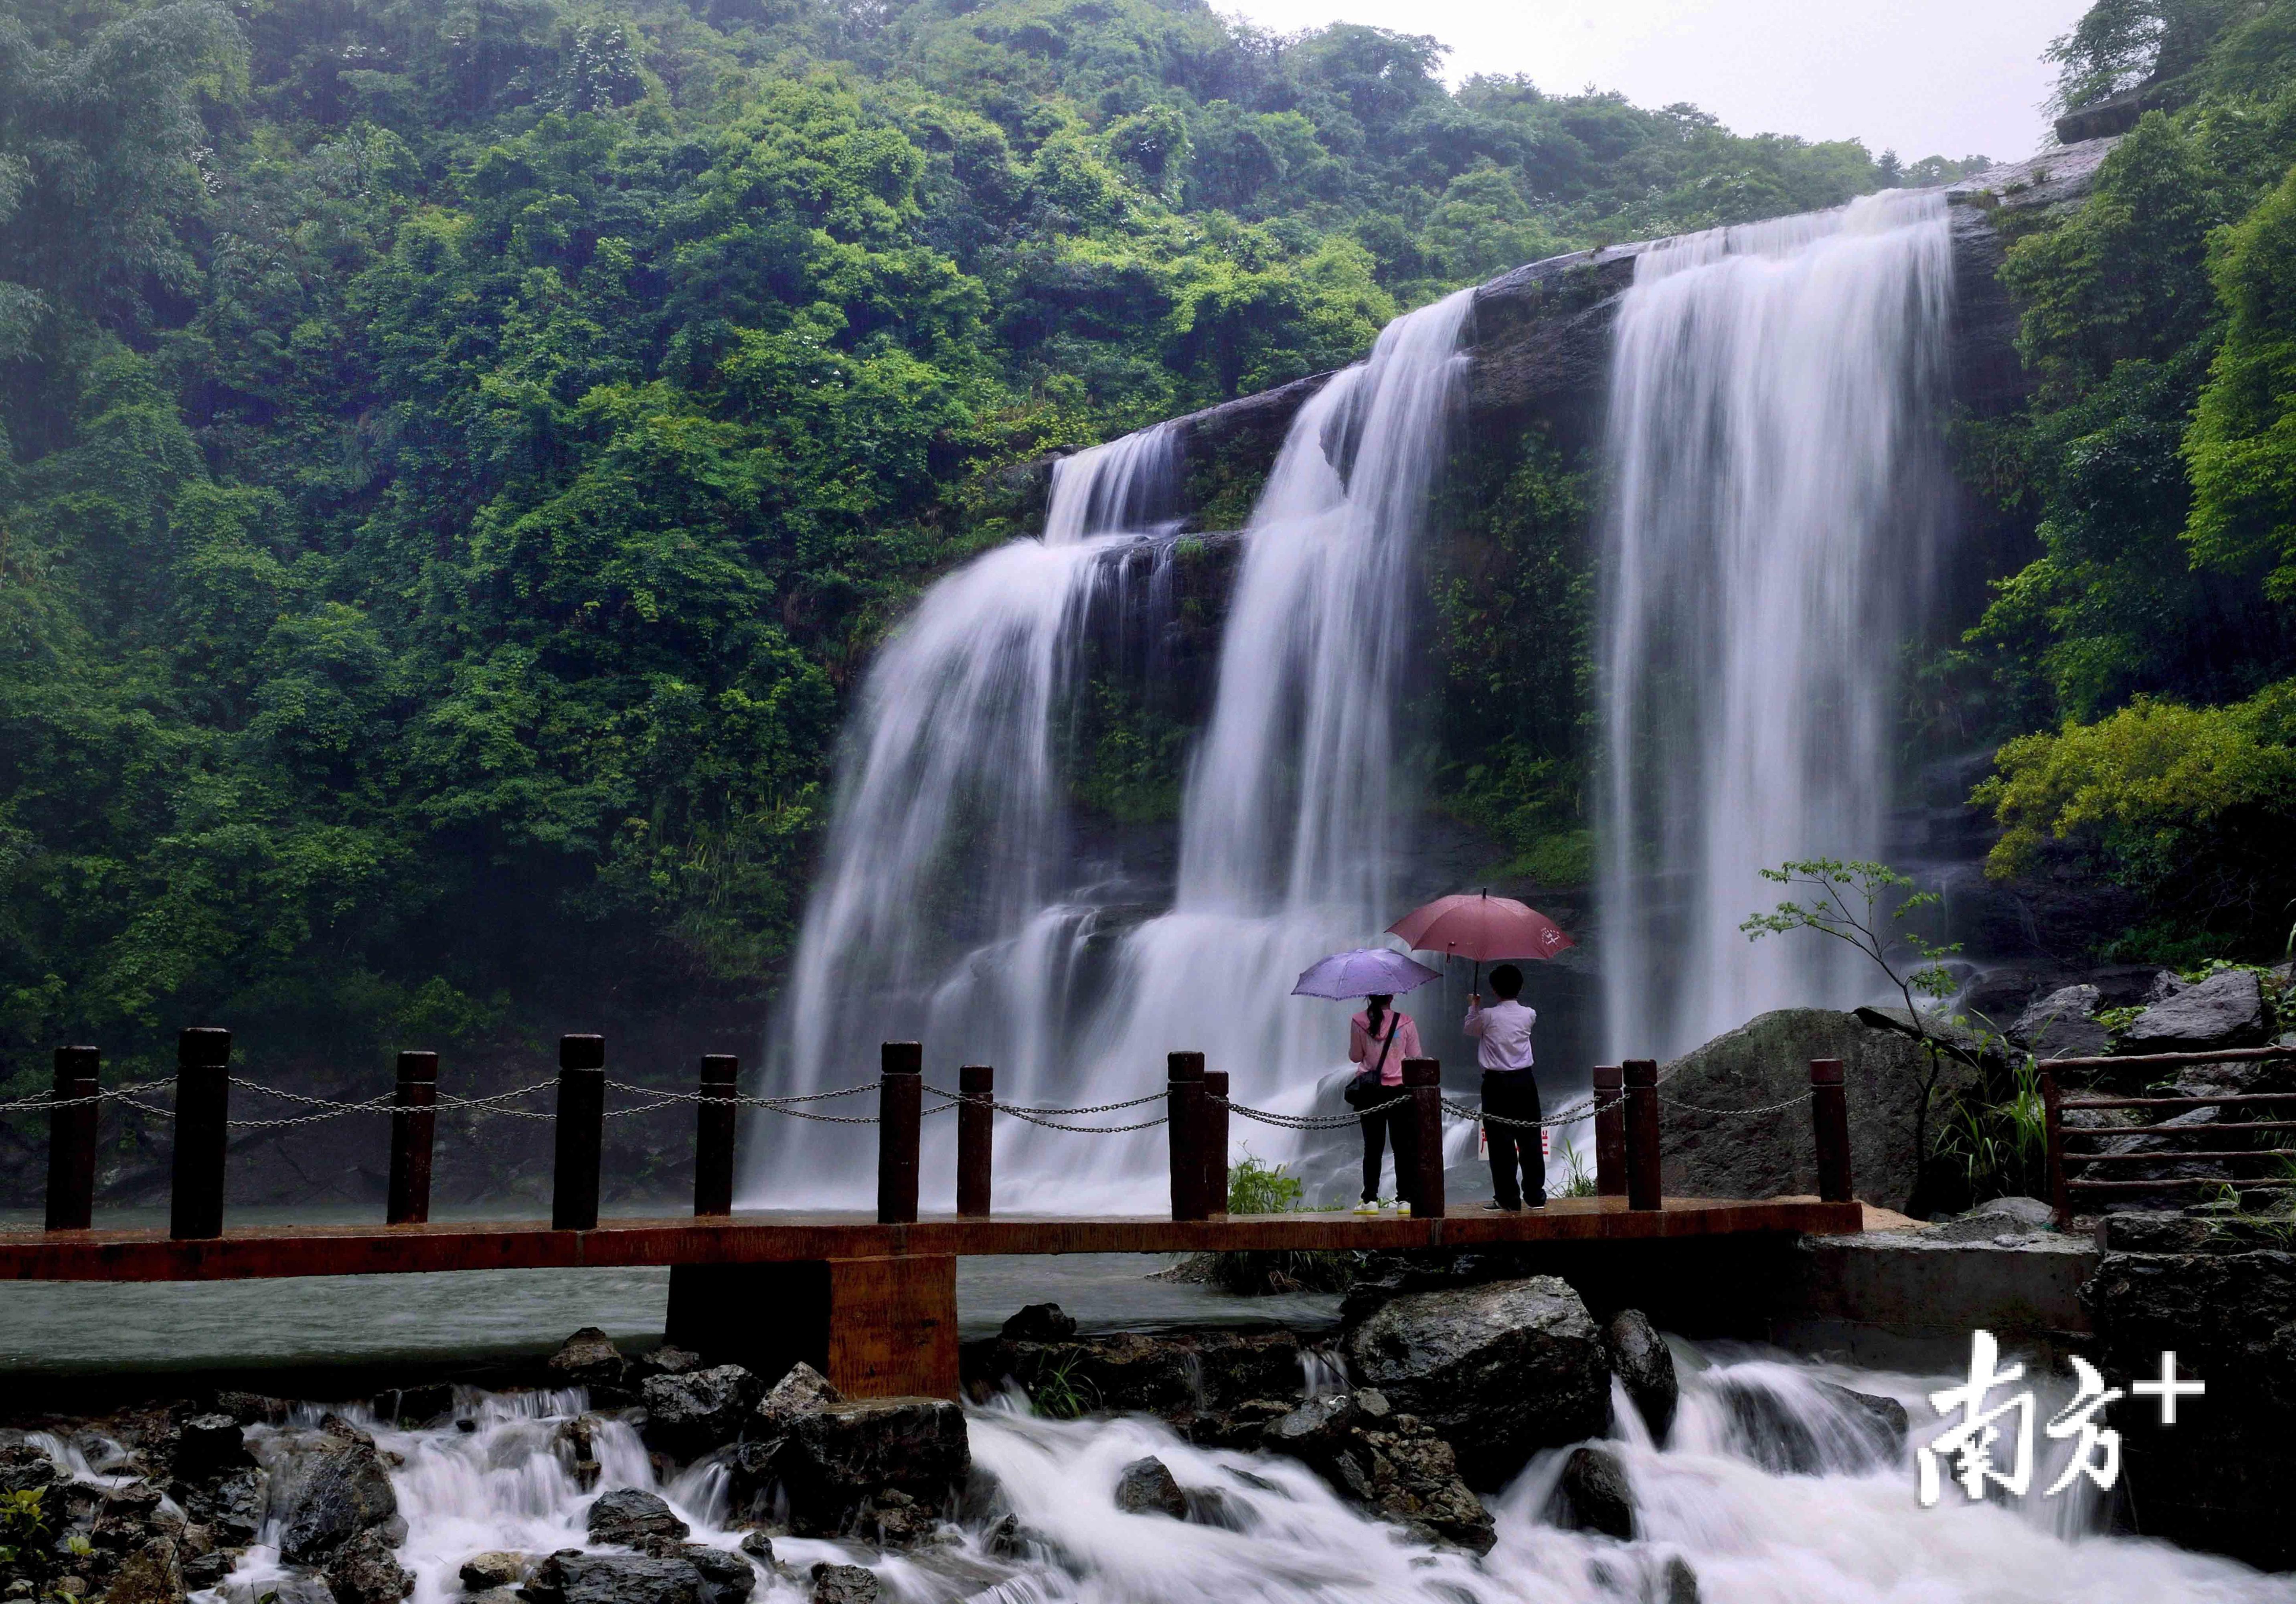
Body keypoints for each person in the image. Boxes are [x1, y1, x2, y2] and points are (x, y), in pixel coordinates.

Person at [1465, 964, 1544, 1210]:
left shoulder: (1487, 1016)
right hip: (1525, 1081)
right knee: (1530, 1137)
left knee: (1501, 1143)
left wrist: (1474, 1005)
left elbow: (1470, 1029)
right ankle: (1535, 1196)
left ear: (1494, 989)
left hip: (1496, 1083)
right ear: (1521, 988)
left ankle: (1508, 1198)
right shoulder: (1529, 1014)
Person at [1347, 992, 1422, 1216]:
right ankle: (1405, 1200)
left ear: (1369, 997)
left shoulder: (1358, 1021)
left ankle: (1370, 1200)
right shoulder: (1406, 1021)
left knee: (1372, 1148)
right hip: (1400, 1092)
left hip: (1372, 1092)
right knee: (1403, 1147)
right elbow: (1416, 1056)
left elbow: (1355, 1056)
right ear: (1392, 996)